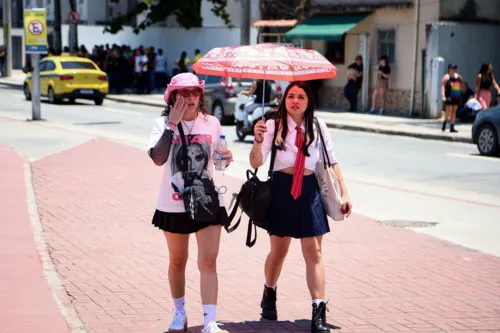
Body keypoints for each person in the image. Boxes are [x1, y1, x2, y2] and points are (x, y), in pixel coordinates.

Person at [250, 81, 352, 333]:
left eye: (301, 97)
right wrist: (257, 140)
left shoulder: (318, 126)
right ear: (284, 99)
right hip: (281, 189)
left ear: (309, 101)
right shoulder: (272, 125)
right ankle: (269, 293)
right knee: (279, 251)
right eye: (291, 96)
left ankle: (318, 312)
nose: (295, 101)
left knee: (314, 253)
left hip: (309, 191)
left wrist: (345, 192)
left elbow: (332, 161)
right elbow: (256, 163)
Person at [147, 73, 234, 333]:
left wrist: (226, 157)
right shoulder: (161, 123)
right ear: (172, 97)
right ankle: (180, 312)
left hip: (206, 200)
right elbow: (158, 159)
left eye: (194, 92)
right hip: (172, 203)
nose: (190, 98)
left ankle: (209, 321)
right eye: (183, 93)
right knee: (177, 261)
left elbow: (218, 163)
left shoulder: (212, 123)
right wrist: (171, 125)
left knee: (208, 262)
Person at [441, 64, 463, 132]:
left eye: (454, 68)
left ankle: (452, 127)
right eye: (452, 68)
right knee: (449, 110)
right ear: (449, 69)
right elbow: (443, 86)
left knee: (454, 111)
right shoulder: (446, 77)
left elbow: (461, 81)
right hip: (449, 95)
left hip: (456, 95)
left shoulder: (457, 76)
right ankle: (445, 123)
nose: (453, 70)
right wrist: (443, 96)